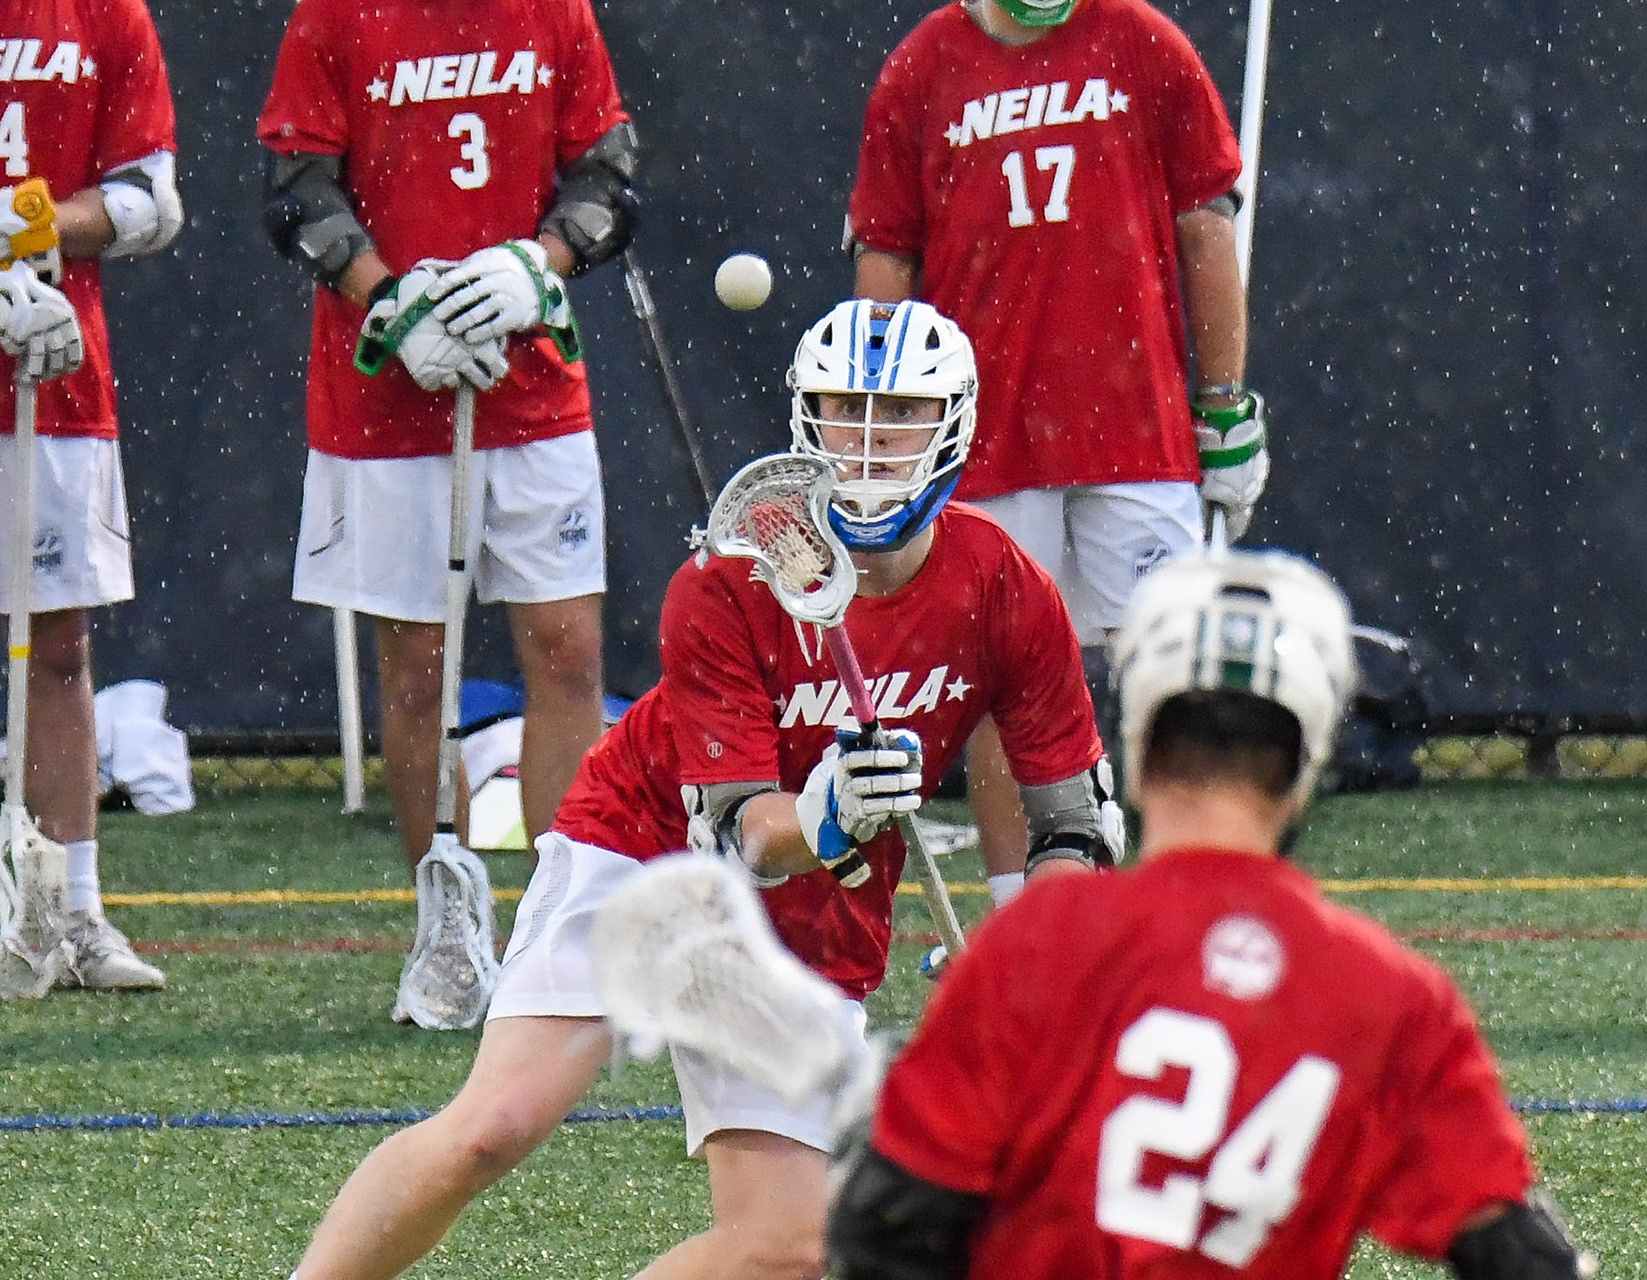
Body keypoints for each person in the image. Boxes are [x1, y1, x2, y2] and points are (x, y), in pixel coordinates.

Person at [276, 298, 1124, 1280]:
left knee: (788, 1246)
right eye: (843, 408)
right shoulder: (729, 578)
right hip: (641, 845)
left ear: (955, 426)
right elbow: (743, 835)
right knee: (493, 1125)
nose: (865, 438)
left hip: (821, 898)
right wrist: (831, 811)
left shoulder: (1006, 584)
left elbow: (1073, 823)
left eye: (896, 413)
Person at [828, 549, 1601, 1280]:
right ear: (1305, 766)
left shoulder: (1039, 941)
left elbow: (893, 1230)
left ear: (1139, 742)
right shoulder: (1393, 997)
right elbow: (1522, 1257)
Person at [256, 0, 637, 1024]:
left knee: (566, 654)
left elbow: (608, 177)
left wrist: (534, 265)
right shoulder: (335, 15)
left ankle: (561, 925)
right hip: (383, 393)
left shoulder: (554, 11)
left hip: (534, 385)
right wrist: (391, 299)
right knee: (416, 667)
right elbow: (297, 194)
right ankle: (446, 919)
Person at [847, 0, 1271, 896]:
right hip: (985, 437)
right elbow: (886, 256)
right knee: (1005, 685)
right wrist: (885, 423)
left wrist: (1224, 405)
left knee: (1174, 672)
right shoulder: (924, 65)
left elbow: (1206, 224)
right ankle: (1021, 917)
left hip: (1138, 431)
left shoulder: (1143, 41)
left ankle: (1178, 897)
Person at [0, 0, 185, 991]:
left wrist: (22, 223)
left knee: (59, 645)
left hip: (49, 369)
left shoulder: (103, 12)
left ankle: (72, 913)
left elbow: (149, 200)